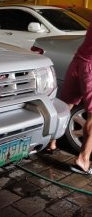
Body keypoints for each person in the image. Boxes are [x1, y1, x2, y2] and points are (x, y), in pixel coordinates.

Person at [58, 22, 92, 174]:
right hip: (90, 67)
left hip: (78, 61)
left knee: (66, 104)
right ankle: (83, 159)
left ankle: (51, 143)